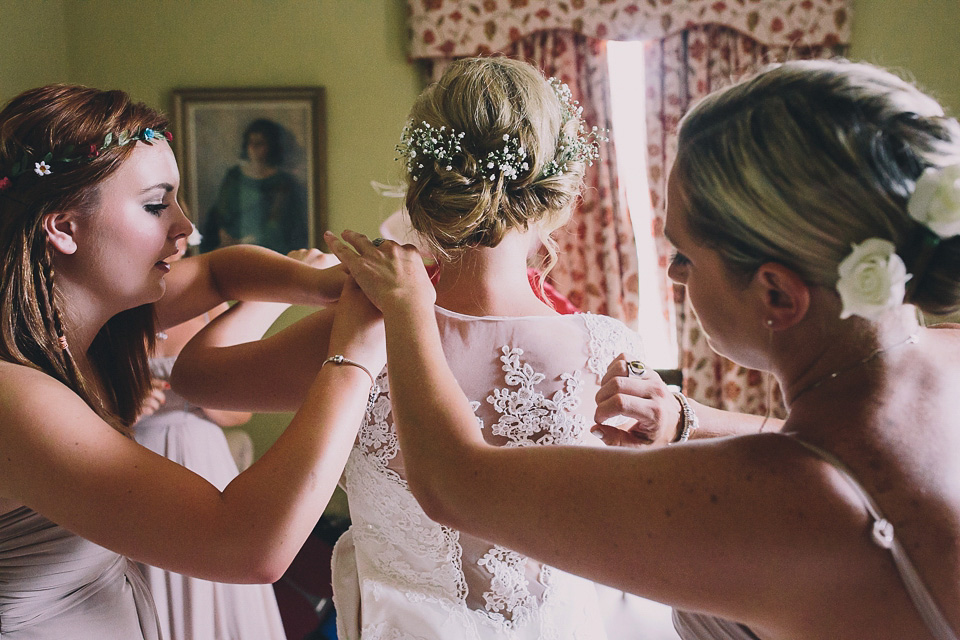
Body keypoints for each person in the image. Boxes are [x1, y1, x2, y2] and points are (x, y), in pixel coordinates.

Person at [325, 59, 960, 639]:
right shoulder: (941, 359)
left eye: (684, 255)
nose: (675, 276)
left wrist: (410, 308)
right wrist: (689, 418)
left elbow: (452, 484)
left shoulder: (769, 499)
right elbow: (825, 441)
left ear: (776, 294)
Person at [174, 57, 654, 639]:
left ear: (424, 188)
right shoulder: (605, 351)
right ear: (560, 191)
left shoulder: (359, 331)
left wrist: (292, 285)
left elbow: (193, 375)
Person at [0, 84, 383, 639]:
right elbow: (247, 546)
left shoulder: (93, 319)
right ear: (62, 227)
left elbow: (217, 273)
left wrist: (320, 285)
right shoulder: (19, 398)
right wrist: (355, 358)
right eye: (156, 205)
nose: (184, 226)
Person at [133, 245, 332, 640]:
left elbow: (239, 413)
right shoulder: (116, 315)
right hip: (135, 452)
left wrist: (208, 392)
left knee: (218, 566)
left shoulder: (209, 313)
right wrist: (126, 408)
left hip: (202, 452)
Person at [200, 117, 309, 254]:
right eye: (251, 143)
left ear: (271, 146)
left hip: (271, 252)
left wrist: (249, 240)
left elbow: (283, 226)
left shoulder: (284, 182)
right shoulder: (234, 176)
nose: (253, 148)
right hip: (230, 247)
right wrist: (226, 237)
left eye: (259, 144)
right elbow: (221, 213)